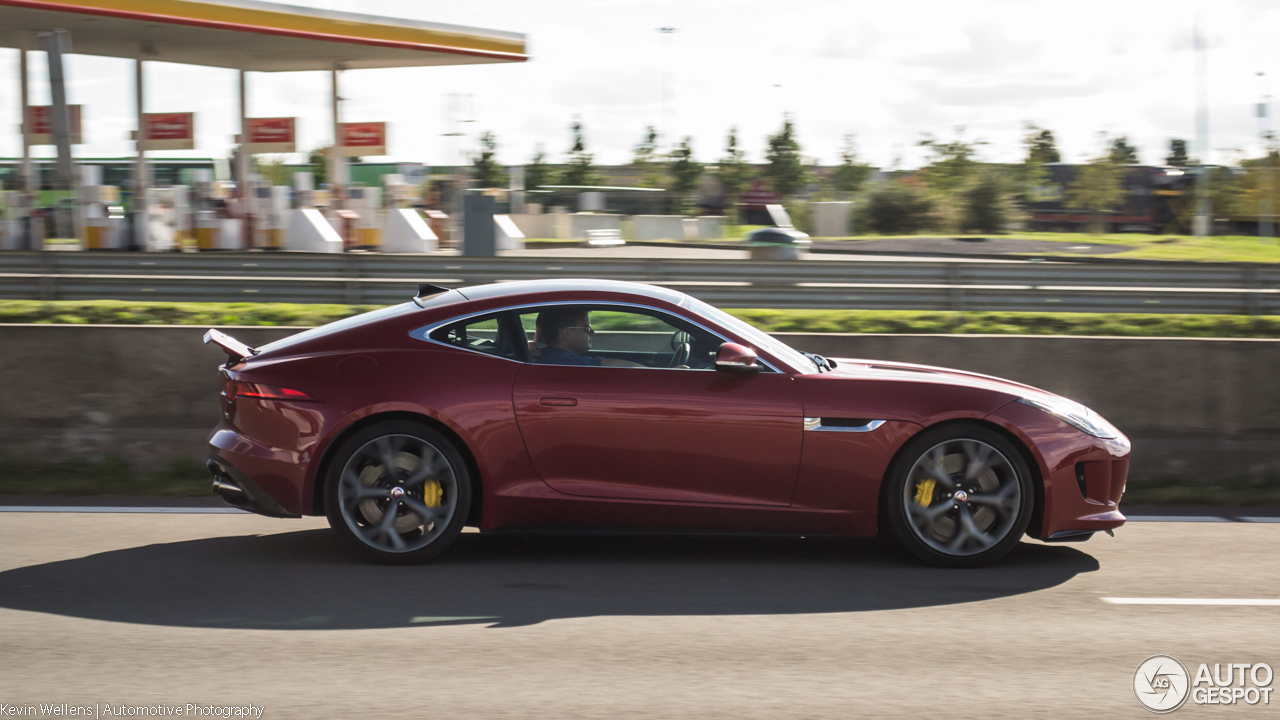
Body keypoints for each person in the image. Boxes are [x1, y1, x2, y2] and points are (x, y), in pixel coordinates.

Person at [535, 307, 642, 367]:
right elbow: (611, 365)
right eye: (586, 328)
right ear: (566, 333)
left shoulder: (551, 355)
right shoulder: (561, 360)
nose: (592, 332)